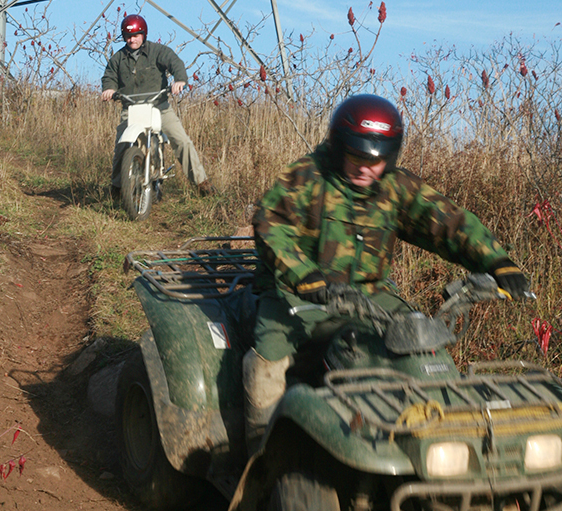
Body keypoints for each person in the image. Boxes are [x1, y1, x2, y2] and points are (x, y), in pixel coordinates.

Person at [243, 93, 531, 453]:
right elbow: (271, 225)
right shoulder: (307, 176)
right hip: (296, 292)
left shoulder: (395, 187)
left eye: (376, 161)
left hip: (370, 292)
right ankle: (259, 456)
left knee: (423, 346)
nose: (366, 168)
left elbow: (449, 223)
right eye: (356, 157)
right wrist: (305, 276)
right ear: (338, 147)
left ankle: (450, 442)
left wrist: (497, 263)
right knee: (266, 364)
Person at [101, 14, 215, 198]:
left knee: (182, 142)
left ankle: (202, 184)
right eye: (129, 36)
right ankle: (116, 188)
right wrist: (109, 89)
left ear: (143, 34)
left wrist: (180, 79)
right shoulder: (118, 58)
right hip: (131, 109)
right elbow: (109, 77)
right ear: (124, 37)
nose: (132, 39)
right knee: (121, 146)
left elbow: (174, 62)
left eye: (136, 35)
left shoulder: (158, 51)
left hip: (159, 107)